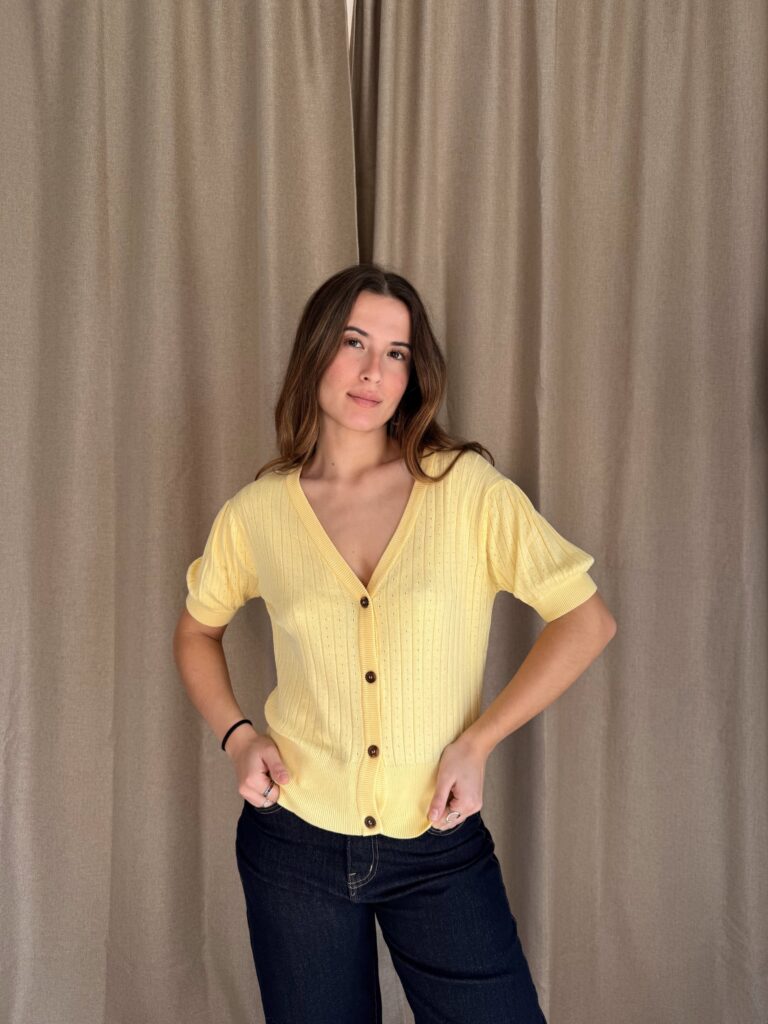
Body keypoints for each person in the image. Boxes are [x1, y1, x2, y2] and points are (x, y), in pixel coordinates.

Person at [173, 262, 617, 1024]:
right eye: (354, 342)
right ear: (315, 350)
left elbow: (587, 620)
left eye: (396, 352)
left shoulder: (466, 490)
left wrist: (477, 743)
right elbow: (196, 630)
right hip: (293, 847)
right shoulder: (257, 513)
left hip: (437, 844)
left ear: (414, 374)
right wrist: (239, 737)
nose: (373, 371)